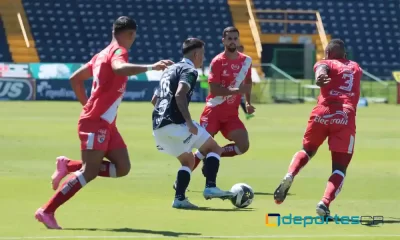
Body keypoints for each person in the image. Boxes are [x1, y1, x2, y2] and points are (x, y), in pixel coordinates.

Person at [35, 16, 173, 229]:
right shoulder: (119, 52)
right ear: (131, 34)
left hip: (105, 122)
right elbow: (119, 68)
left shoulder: (100, 55)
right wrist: (151, 67)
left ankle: (68, 165)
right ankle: (47, 211)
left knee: (123, 167)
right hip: (96, 122)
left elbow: (75, 78)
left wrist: (86, 105)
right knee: (89, 172)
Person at [273, 39, 362, 217]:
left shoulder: (324, 62)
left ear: (328, 54)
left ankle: (291, 174)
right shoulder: (356, 67)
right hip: (344, 116)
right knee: (339, 168)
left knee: (307, 150)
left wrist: (319, 77)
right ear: (345, 54)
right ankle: (324, 203)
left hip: (322, 112)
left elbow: (321, 70)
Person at [152, 38, 234, 208]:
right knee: (214, 148)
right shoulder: (189, 70)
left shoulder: (169, 70)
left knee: (188, 161)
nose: (202, 59)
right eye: (202, 55)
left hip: (158, 127)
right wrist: (188, 122)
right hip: (176, 123)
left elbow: (155, 99)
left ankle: (179, 199)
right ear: (196, 54)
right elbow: (180, 94)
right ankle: (210, 187)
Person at [191, 26, 254, 173]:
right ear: (223, 41)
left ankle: (215, 153)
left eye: (235, 38)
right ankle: (181, 180)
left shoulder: (246, 61)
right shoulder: (217, 61)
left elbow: (248, 82)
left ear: (238, 40)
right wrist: (237, 91)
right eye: (229, 39)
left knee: (243, 145)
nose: (233, 41)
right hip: (213, 111)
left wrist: (249, 102)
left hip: (231, 115)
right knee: (202, 148)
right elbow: (214, 90)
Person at [237, 44, 255, 120]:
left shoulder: (246, 60)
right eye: (239, 49)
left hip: (240, 83)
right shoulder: (233, 59)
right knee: (238, 99)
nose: (241, 50)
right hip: (233, 84)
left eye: (242, 49)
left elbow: (247, 74)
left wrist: (249, 82)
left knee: (239, 99)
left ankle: (247, 113)